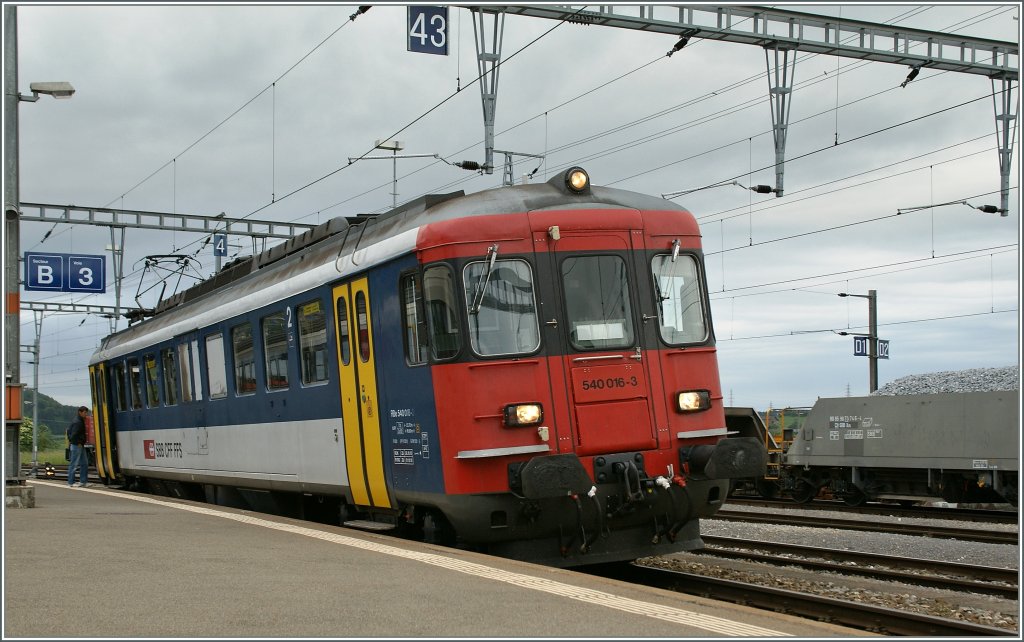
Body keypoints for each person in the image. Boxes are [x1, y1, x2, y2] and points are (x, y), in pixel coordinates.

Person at [66, 406, 90, 488]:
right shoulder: (78, 422)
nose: (86, 414)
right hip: (77, 445)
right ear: (80, 412)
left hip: (79, 445)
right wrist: (78, 442)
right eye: (85, 412)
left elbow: (68, 431)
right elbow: (73, 434)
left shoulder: (77, 420)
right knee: (74, 464)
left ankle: (83, 481)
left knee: (84, 463)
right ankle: (71, 482)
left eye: (86, 412)